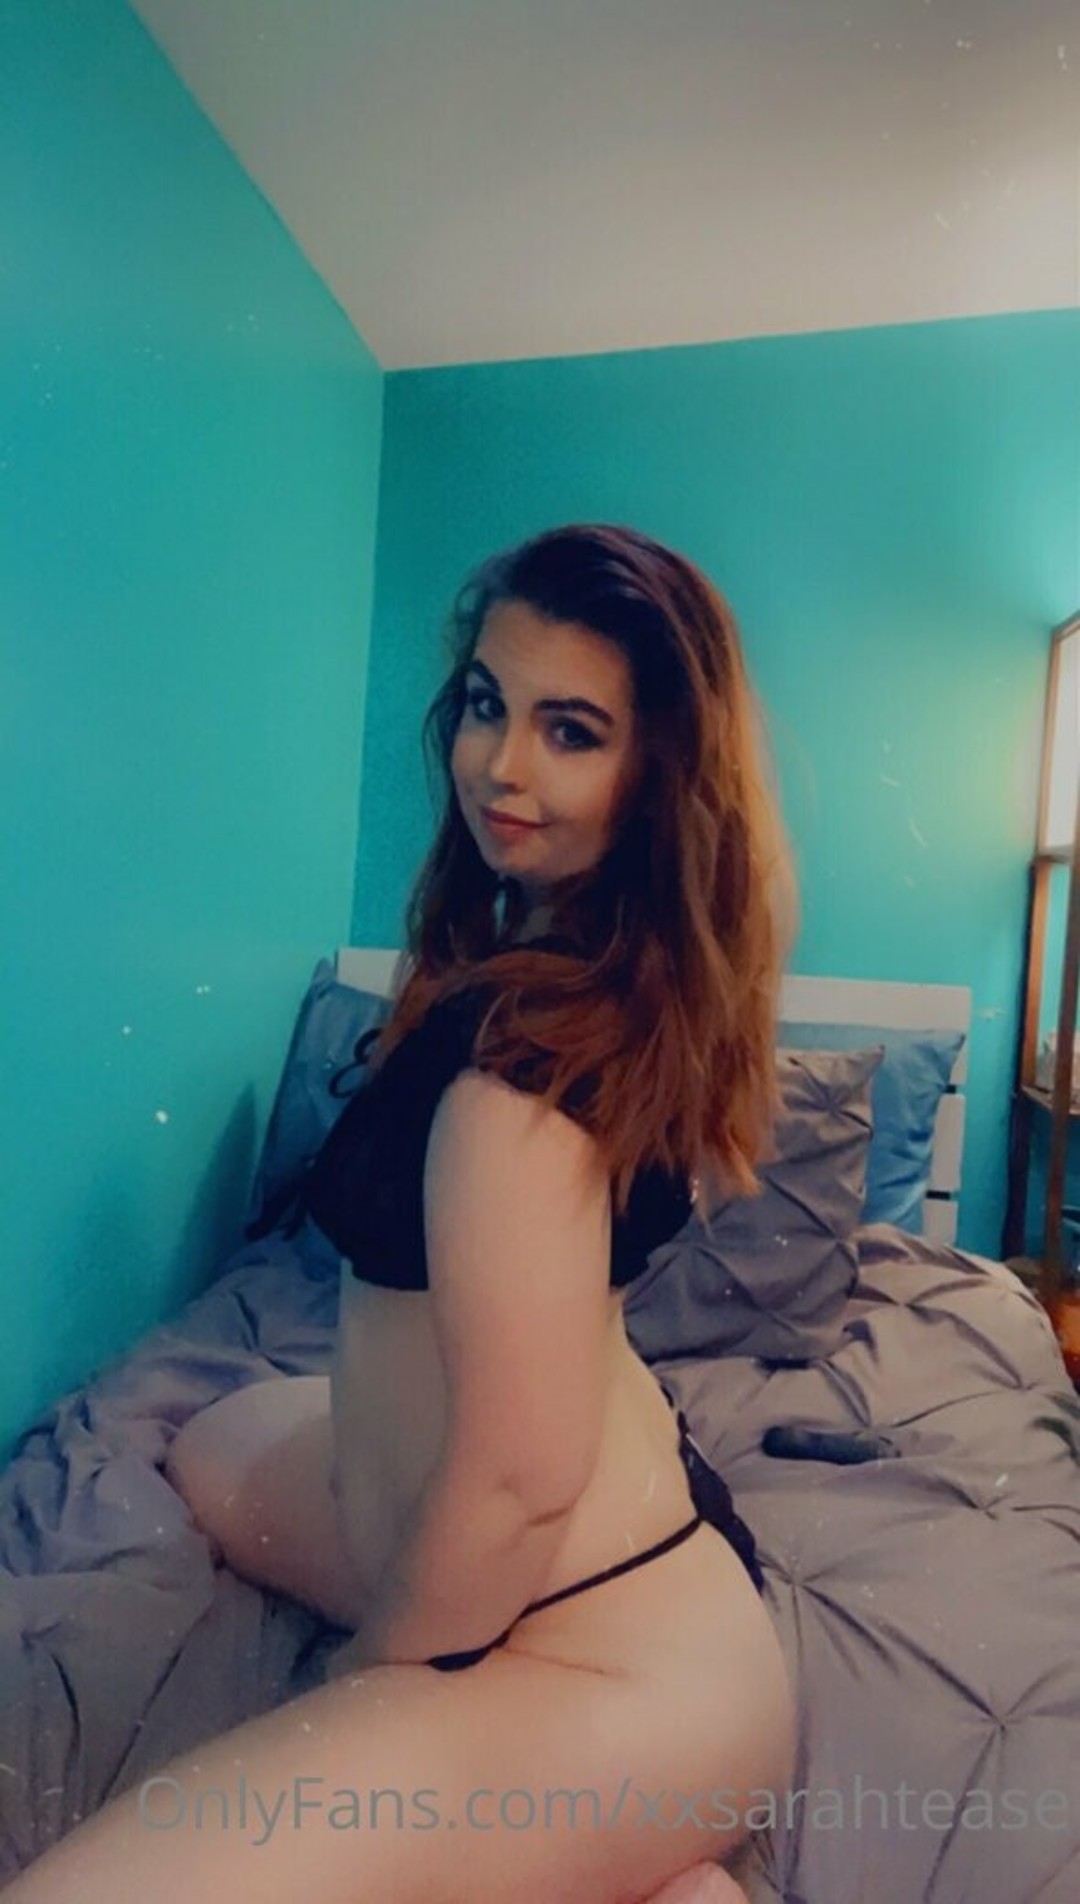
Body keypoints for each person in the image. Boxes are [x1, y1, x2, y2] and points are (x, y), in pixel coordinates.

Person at [9, 524, 797, 1902]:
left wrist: (372, 1683)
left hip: (598, 1643)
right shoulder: (559, 962)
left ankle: (655, 1854)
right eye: (489, 705)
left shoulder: (521, 1086)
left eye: (571, 731)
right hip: (527, 1513)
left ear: (658, 773)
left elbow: (517, 1484)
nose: (502, 766)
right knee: (204, 1444)